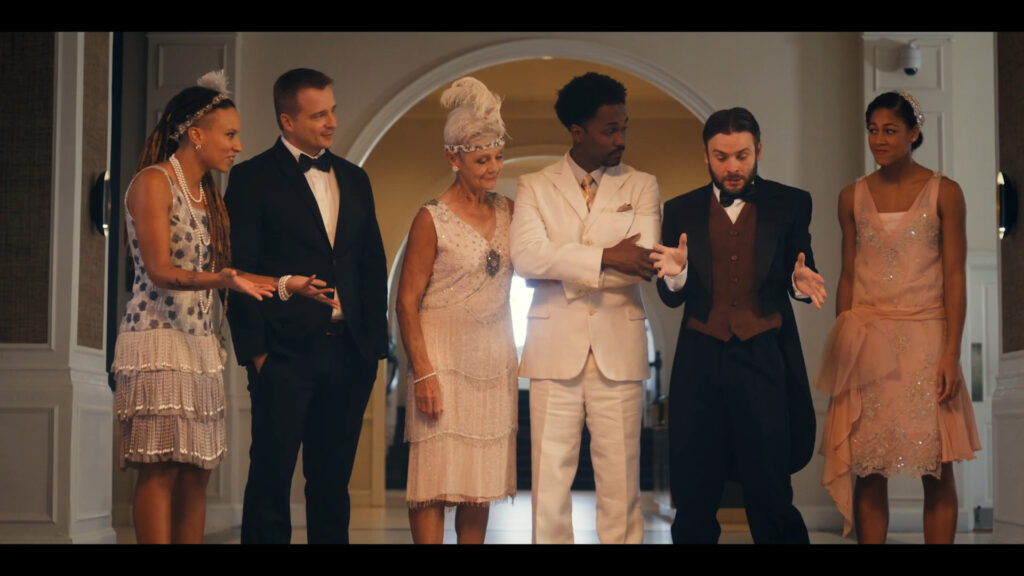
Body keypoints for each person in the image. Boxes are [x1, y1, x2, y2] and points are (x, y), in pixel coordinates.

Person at [112, 70, 334, 544]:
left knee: (197, 471)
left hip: (200, 347)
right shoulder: (153, 183)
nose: (237, 145)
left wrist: (287, 284)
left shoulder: (208, 195)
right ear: (196, 135)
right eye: (229, 135)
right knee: (159, 468)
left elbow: (233, 273)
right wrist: (222, 279)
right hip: (156, 342)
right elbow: (159, 270)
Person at [224, 68, 389, 544]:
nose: (331, 121)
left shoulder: (356, 180)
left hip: (349, 354)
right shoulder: (252, 177)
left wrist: (371, 347)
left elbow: (372, 267)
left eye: (333, 109)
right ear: (287, 120)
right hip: (284, 354)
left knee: (332, 484)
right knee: (271, 480)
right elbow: (237, 271)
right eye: (319, 114)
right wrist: (257, 354)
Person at [650, 107, 827, 544]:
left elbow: (800, 267)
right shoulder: (680, 210)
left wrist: (799, 283)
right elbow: (671, 296)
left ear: (759, 150)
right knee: (694, 493)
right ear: (706, 157)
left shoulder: (791, 202)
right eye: (722, 156)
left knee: (770, 492)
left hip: (765, 356)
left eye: (742, 155)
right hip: (700, 359)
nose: (733, 167)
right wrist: (676, 273)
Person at [816, 91, 981, 543]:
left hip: (928, 339)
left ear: (914, 132)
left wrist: (952, 353)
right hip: (868, 341)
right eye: (873, 129)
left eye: (890, 130)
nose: (879, 140)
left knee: (937, 467)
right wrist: (844, 350)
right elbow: (848, 276)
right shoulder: (851, 196)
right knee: (869, 468)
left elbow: (955, 277)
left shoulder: (944, 192)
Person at [510, 72, 660, 544]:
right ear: (578, 132)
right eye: (609, 130)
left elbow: (646, 255)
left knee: (621, 480)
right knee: (550, 478)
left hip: (620, 346)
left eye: (624, 127)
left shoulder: (642, 185)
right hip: (555, 346)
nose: (621, 139)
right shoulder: (533, 185)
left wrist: (565, 263)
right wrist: (608, 256)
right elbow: (526, 258)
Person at [396, 77, 517, 544]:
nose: (493, 168)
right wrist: (423, 373)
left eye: (497, 157)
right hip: (441, 362)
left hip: (493, 361)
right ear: (454, 158)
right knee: (432, 482)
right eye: (481, 159)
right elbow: (407, 302)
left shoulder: (509, 209)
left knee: (477, 485)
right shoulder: (431, 217)